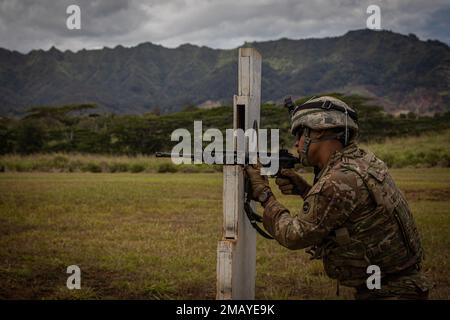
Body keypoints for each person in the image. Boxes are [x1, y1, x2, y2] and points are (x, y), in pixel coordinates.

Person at [245, 96, 432, 299]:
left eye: (300, 133)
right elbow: (344, 212)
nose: (296, 143)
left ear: (319, 131)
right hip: (398, 285)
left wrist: (264, 194)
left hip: (388, 292)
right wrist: (305, 190)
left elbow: (293, 235)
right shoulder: (363, 161)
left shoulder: (337, 181)